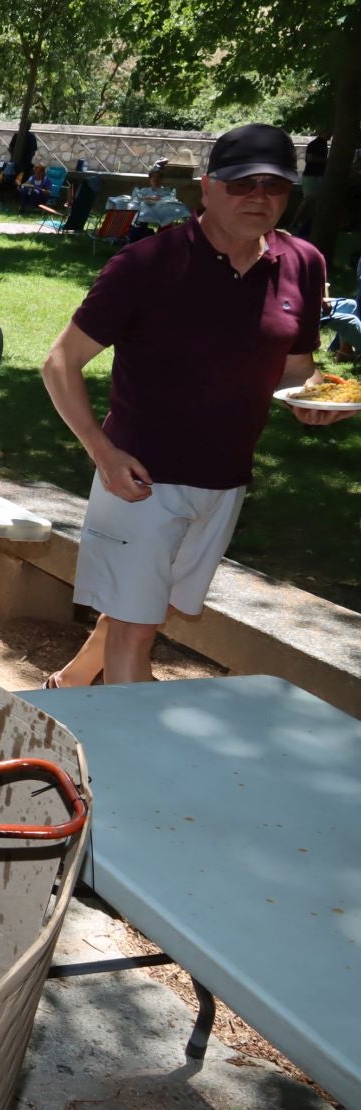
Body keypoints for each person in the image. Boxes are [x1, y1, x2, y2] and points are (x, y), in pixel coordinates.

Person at [41, 124, 350, 688]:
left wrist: (312, 402)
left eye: (274, 186)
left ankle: (65, 685)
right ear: (206, 188)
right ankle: (134, 763)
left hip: (227, 479)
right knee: (137, 631)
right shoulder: (146, 265)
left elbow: (295, 368)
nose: (258, 197)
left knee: (142, 610)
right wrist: (103, 453)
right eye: (241, 184)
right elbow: (59, 363)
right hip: (139, 480)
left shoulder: (303, 263)